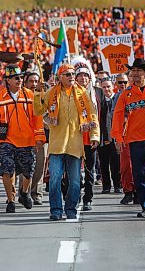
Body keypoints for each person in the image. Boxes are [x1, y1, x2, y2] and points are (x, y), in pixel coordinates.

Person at [34, 64, 99, 220]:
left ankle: (71, 208)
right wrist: (38, 92)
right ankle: (56, 210)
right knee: (55, 179)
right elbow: (38, 110)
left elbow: (92, 116)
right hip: (57, 145)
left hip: (75, 145)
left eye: (72, 74)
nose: (71, 77)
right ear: (60, 77)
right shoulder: (50, 93)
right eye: (68, 74)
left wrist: (94, 136)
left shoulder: (82, 93)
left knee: (75, 182)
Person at [111, 58, 145, 218]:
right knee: (139, 173)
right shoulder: (125, 94)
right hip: (134, 138)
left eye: (138, 70)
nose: (134, 73)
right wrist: (118, 138)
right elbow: (118, 117)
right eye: (133, 71)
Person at [0, 64, 46, 213]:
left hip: (27, 141)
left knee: (28, 172)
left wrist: (39, 137)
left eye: (21, 77)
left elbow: (37, 118)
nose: (19, 80)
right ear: (8, 80)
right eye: (16, 78)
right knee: (7, 170)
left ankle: (24, 191)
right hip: (6, 141)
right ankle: (10, 199)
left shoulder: (30, 96)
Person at [73, 58, 103, 211]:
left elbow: (102, 115)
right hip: (75, 137)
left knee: (90, 170)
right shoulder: (70, 92)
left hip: (91, 137)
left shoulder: (97, 92)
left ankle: (88, 198)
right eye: (80, 76)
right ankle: (75, 195)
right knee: (74, 170)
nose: (83, 78)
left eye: (85, 75)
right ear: (75, 78)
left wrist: (98, 136)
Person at [109, 73, 137, 204]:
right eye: (120, 83)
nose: (123, 85)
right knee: (126, 165)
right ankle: (128, 191)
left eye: (125, 82)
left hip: (139, 134)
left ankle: (139, 191)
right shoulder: (120, 96)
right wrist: (116, 137)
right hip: (125, 135)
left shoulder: (142, 92)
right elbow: (115, 117)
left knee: (140, 165)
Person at [24, 71, 47, 205]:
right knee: (25, 166)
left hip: (42, 137)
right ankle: (24, 192)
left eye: (36, 81)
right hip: (25, 138)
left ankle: (36, 193)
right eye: (31, 81)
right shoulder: (22, 97)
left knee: (39, 166)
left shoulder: (45, 96)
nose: (33, 84)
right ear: (26, 83)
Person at [98, 78, 122, 194]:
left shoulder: (118, 100)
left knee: (116, 162)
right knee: (103, 163)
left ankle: (118, 185)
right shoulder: (99, 102)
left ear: (113, 86)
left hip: (115, 136)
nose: (106, 89)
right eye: (104, 87)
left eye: (108, 86)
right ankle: (106, 186)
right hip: (102, 137)